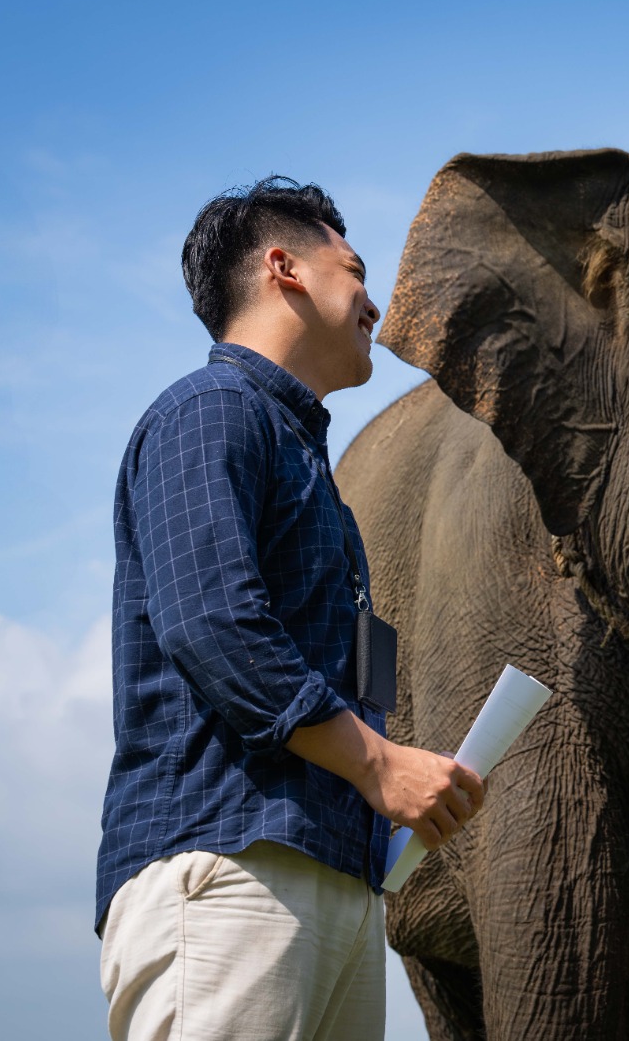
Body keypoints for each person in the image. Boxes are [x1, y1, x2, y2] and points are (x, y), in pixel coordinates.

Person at [96, 177, 485, 1041]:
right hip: (232, 867)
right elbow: (214, 624)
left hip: (333, 882)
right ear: (285, 269)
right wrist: (382, 767)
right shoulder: (211, 412)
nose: (375, 302)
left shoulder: (313, 472)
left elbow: (349, 670)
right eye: (354, 268)